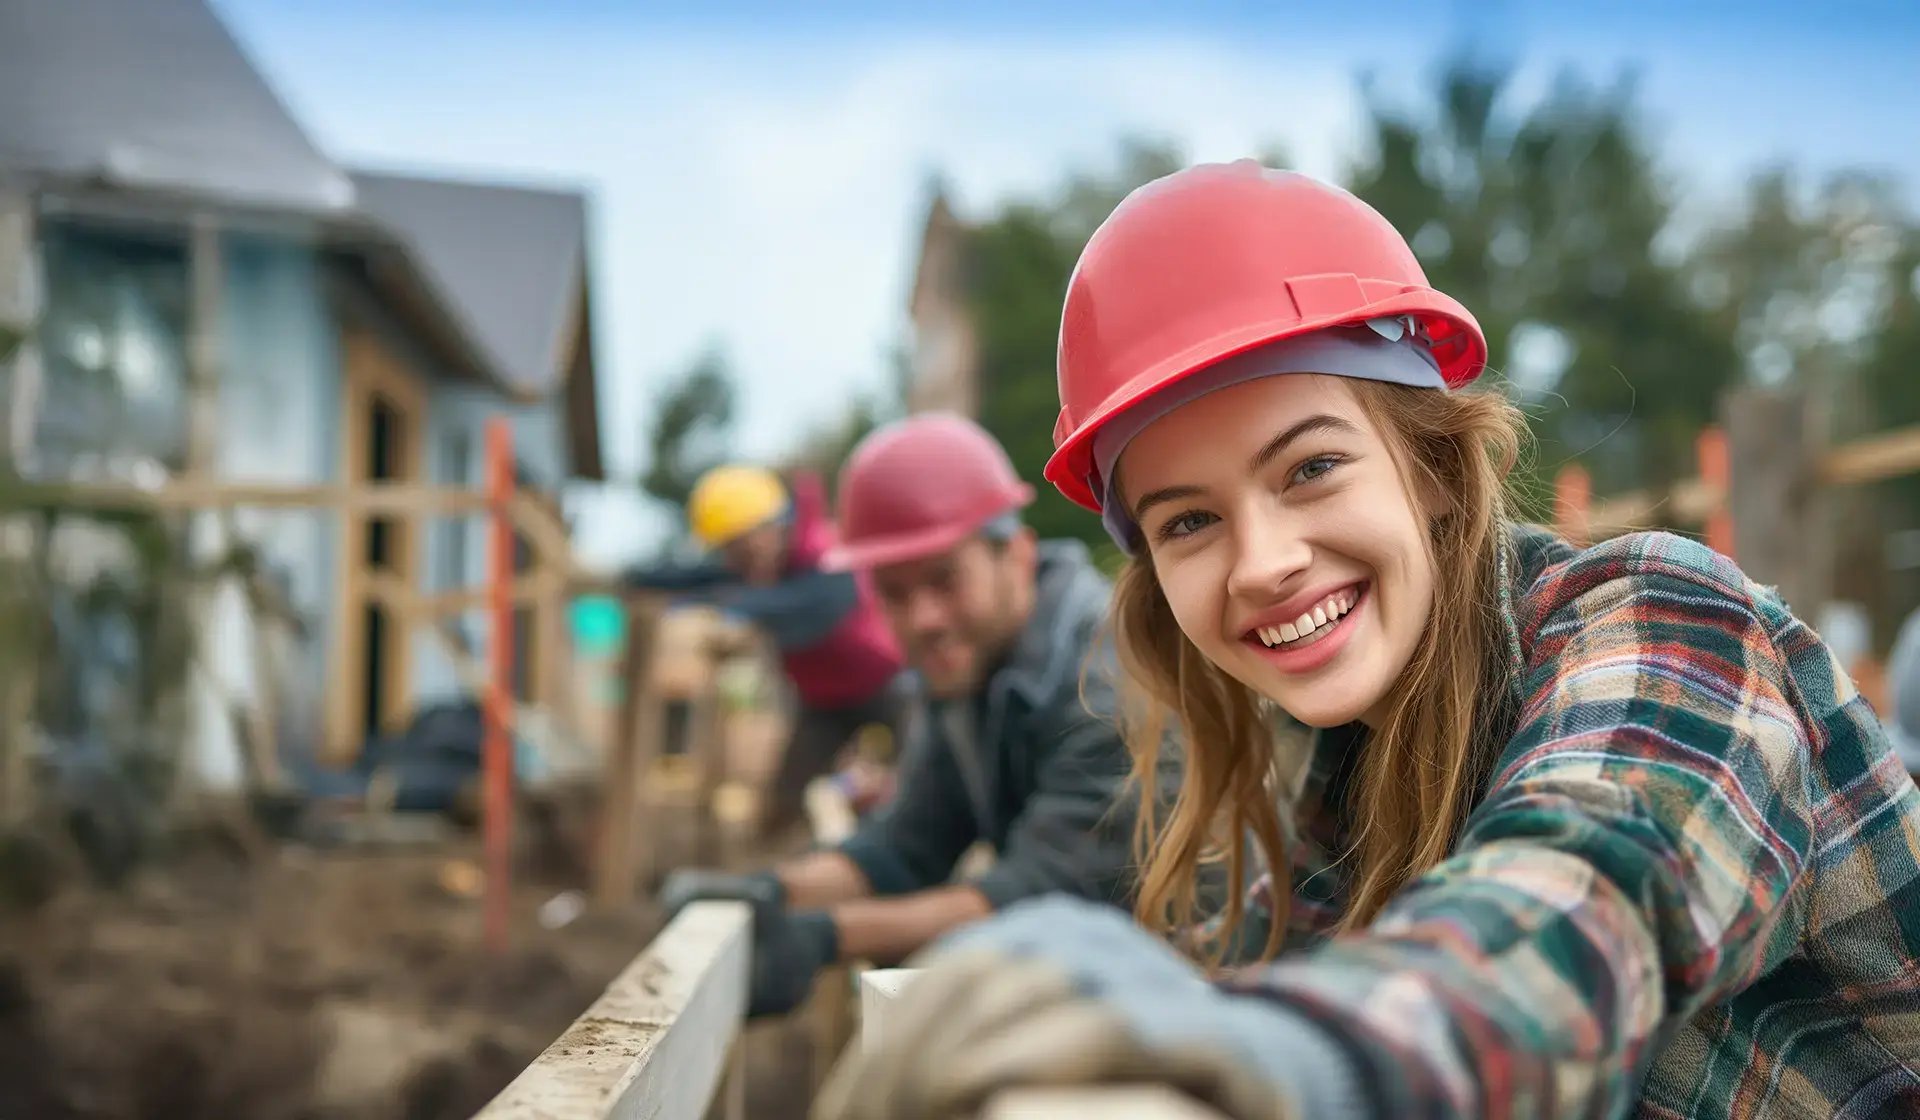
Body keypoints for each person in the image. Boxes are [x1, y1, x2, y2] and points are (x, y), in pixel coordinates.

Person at [818, 162, 1920, 1120]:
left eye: (1310, 468)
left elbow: (1578, 909)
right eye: (1189, 521)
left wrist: (1270, 1061)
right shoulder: (1319, 802)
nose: (1261, 562)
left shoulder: (1667, 624)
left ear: (1434, 470)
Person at [660, 413, 1181, 1019]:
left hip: (1196, 991)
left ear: (1014, 555)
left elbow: (1038, 894)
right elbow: (909, 844)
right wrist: (773, 891)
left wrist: (826, 937)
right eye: (894, 594)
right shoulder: (966, 668)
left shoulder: (1108, 677)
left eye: (944, 580)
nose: (923, 619)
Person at [625, 464, 906, 839]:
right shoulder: (761, 569)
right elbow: (703, 578)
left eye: (740, 547)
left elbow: (798, 606)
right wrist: (636, 578)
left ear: (772, 526)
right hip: (823, 702)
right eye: (728, 552)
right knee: (784, 802)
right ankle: (785, 869)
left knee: (915, 786)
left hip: (887, 687)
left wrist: (717, 605)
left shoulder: (827, 557)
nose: (737, 561)